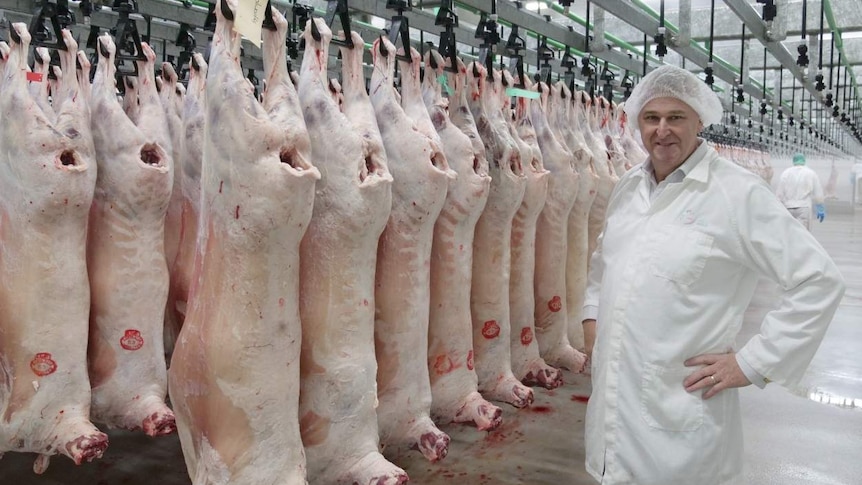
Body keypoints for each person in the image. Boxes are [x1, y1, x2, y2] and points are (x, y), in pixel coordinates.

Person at [580, 64, 845, 485]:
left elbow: (818, 279)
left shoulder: (736, 192)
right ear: (637, 123)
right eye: (651, 118)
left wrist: (753, 362)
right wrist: (592, 315)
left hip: (681, 421)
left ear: (699, 120)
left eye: (676, 117)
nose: (662, 130)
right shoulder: (629, 187)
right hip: (613, 419)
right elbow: (603, 262)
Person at [775, 153, 826, 229]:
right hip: (804, 208)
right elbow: (818, 192)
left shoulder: (786, 173)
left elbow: (779, 193)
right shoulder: (811, 173)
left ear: (793, 161)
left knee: (789, 232)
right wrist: (820, 207)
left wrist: (777, 208)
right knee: (803, 234)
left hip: (788, 207)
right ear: (804, 161)